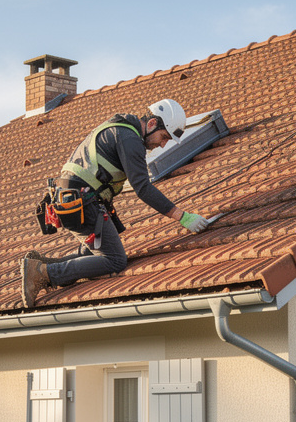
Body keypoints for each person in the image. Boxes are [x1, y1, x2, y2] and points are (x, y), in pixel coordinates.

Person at [21, 98, 210, 307]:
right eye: (164, 137)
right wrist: (182, 216)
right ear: (152, 123)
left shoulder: (120, 129)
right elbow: (143, 188)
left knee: (92, 252)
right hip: (82, 200)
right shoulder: (130, 140)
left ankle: (44, 266)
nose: (162, 144)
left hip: (74, 198)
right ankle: (44, 273)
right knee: (115, 260)